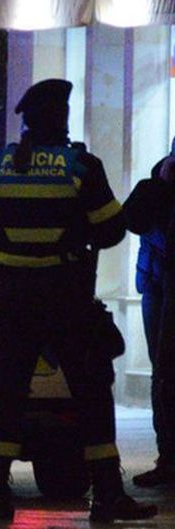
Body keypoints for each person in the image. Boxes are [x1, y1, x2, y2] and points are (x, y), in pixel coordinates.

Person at [0, 78, 157, 522]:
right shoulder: (80, 167)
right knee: (92, 394)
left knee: (9, 396)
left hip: (15, 299)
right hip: (66, 299)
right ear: (61, 119)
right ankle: (107, 495)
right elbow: (113, 229)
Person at [124, 151, 175, 487]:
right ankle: (168, 458)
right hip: (158, 284)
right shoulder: (159, 176)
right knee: (164, 376)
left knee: (166, 375)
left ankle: (169, 458)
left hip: (161, 282)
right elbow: (133, 220)